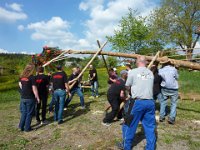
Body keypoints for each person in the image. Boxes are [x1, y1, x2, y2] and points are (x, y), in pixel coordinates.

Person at [121, 56, 156, 150]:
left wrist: (131, 90)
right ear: (146, 62)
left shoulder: (133, 72)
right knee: (150, 127)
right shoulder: (150, 73)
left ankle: (126, 146)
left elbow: (127, 86)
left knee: (129, 124)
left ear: (137, 62)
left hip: (137, 102)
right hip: (150, 102)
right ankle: (151, 148)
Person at [18, 64, 40, 132]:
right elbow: (34, 88)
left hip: (23, 97)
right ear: (32, 69)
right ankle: (27, 128)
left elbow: (20, 86)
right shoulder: (32, 77)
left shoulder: (22, 77)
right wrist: (37, 97)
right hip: (30, 97)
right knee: (29, 113)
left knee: (24, 112)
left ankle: (20, 127)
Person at [158, 56, 179, 125]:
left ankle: (161, 116)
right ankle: (171, 118)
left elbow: (160, 75)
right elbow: (177, 77)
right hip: (173, 88)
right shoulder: (174, 69)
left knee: (163, 102)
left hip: (164, 87)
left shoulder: (160, 70)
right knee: (174, 103)